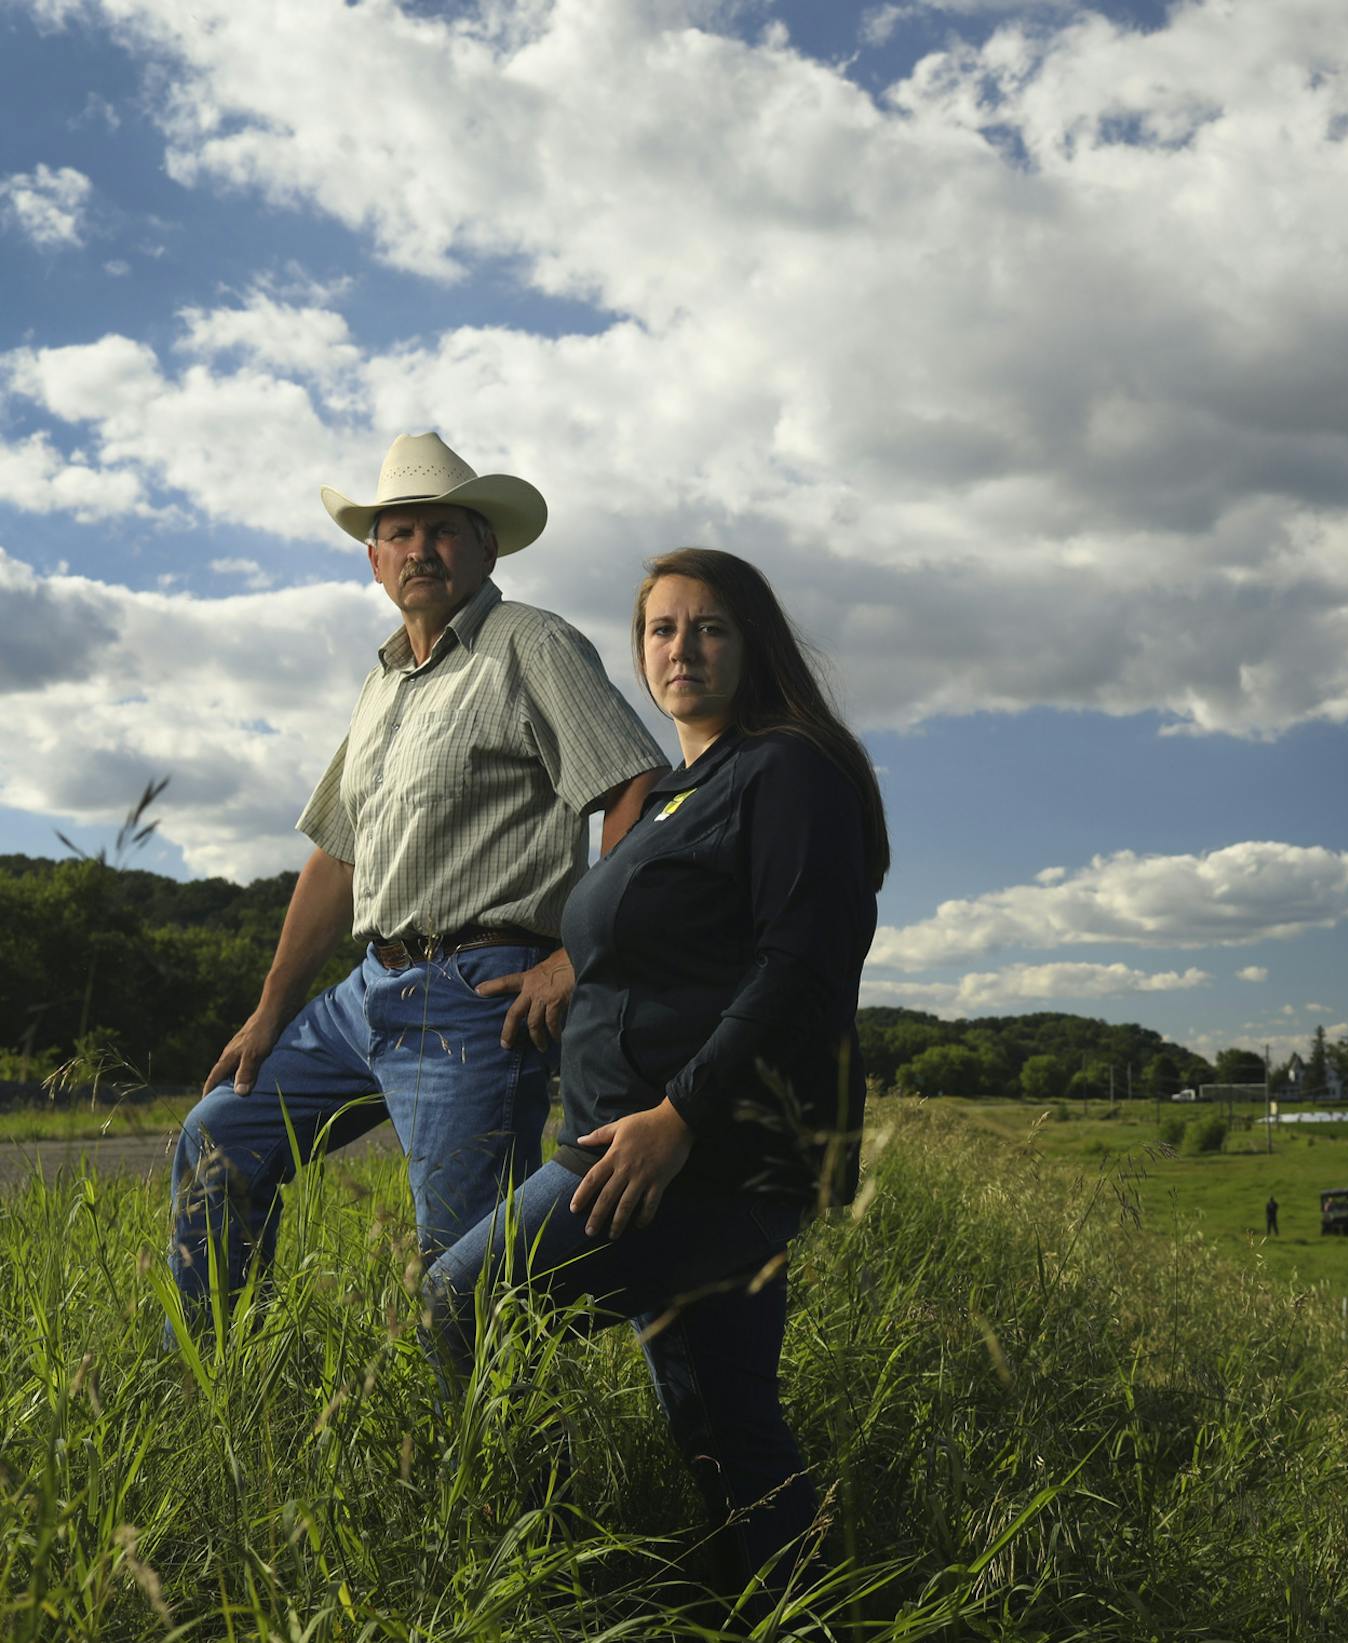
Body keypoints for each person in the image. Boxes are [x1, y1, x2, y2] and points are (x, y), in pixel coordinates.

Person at [425, 547, 888, 1596]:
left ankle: (537, 1579)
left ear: (752, 641)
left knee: (462, 1303)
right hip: (652, 1145)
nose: (683, 648)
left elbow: (800, 964)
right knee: (727, 1429)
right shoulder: (688, 788)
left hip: (683, 1154)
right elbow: (635, 943)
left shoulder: (788, 768)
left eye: (710, 626)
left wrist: (677, 1113)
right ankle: (788, 1612)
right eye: (662, 629)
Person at [169, 433, 667, 1313]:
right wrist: (269, 1010)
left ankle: (490, 1446)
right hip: (367, 991)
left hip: (478, 994)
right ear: (373, 559)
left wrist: (574, 956)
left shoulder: (531, 644)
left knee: (461, 1269)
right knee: (220, 1135)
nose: (419, 549)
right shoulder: (384, 682)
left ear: (488, 546)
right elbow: (336, 855)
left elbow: (634, 785)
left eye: (442, 530)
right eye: (399, 533)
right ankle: (222, 1386)